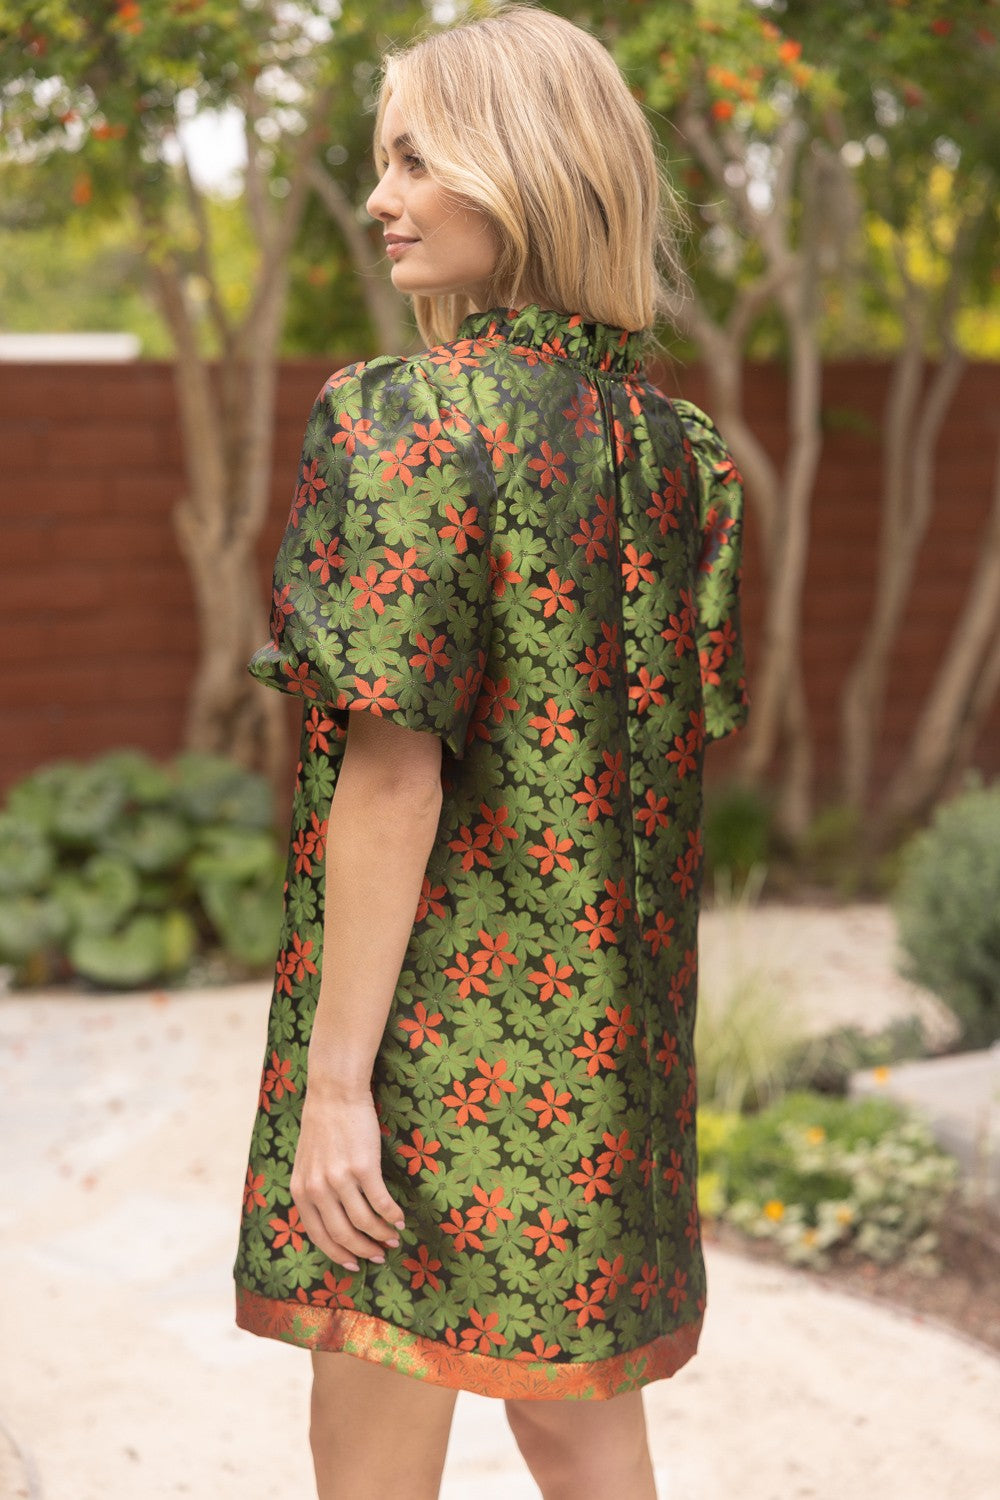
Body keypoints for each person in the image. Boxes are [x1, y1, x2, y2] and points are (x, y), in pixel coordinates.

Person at [233, 5, 748, 1497]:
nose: (379, 199)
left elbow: (397, 770)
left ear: (520, 172)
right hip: (606, 1058)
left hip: (427, 1042)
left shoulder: (406, 423)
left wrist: (339, 1088)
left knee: (373, 1437)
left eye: (413, 161)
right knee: (582, 1427)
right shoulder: (679, 456)